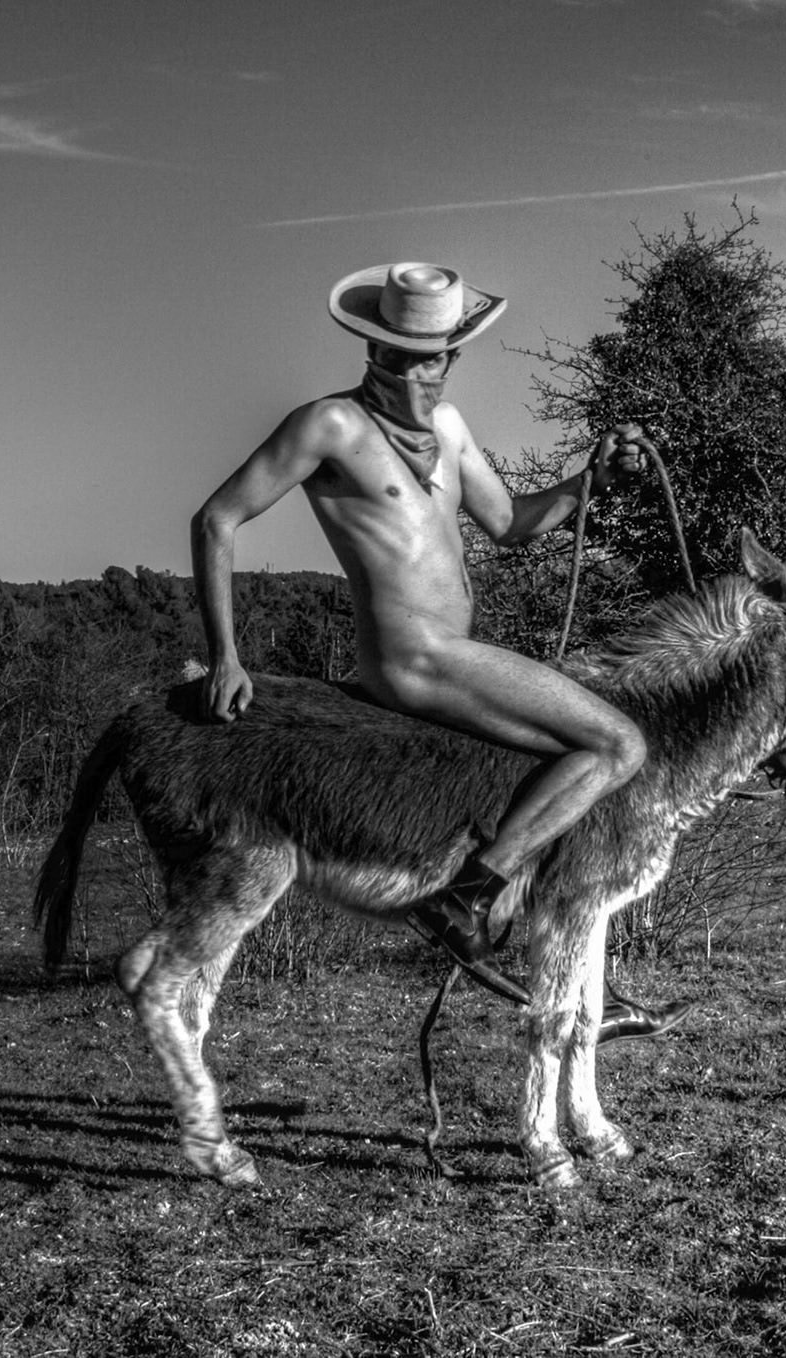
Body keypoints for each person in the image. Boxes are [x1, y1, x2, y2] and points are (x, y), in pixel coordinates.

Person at [191, 261, 671, 1026]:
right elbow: (216, 520)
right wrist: (227, 653)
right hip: (410, 661)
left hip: (458, 655)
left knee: (588, 745)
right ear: (374, 353)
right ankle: (469, 900)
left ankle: (538, 927)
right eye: (400, 357)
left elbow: (512, 524)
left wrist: (591, 482)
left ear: (452, 356)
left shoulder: (449, 429)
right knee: (619, 744)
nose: (419, 374)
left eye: (435, 358)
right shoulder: (328, 426)